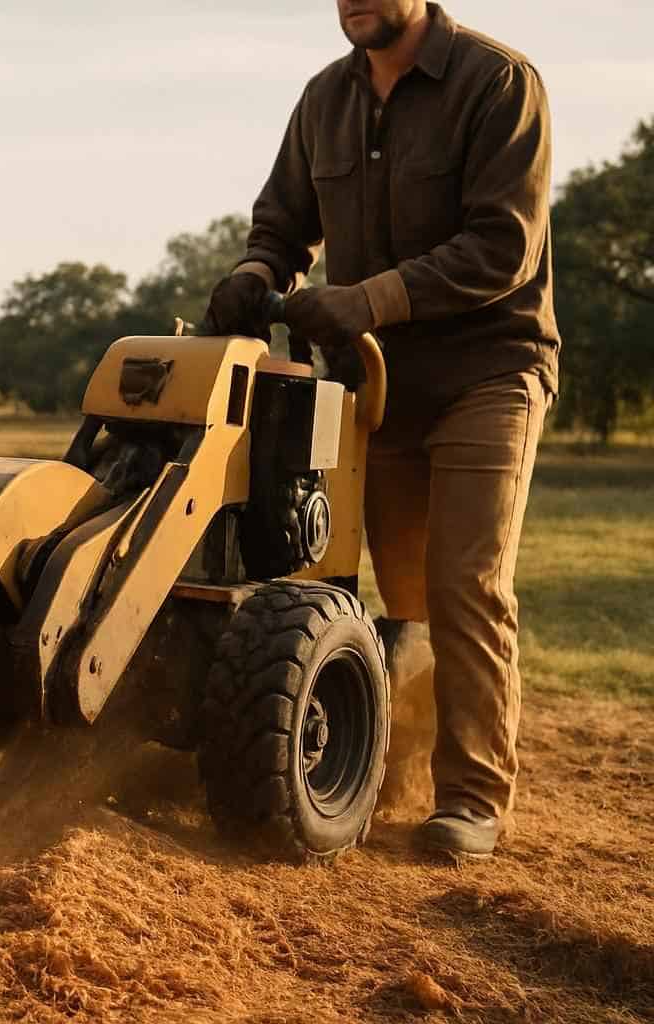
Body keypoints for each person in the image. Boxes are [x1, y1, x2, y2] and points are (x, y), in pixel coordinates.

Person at [202, 1, 558, 860]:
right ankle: (381, 774)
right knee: (398, 598)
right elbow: (284, 226)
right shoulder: (326, 97)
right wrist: (256, 273)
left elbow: (501, 246)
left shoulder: (499, 83)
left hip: (489, 371)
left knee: (462, 582)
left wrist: (368, 298)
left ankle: (472, 798)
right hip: (376, 384)